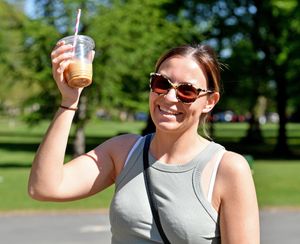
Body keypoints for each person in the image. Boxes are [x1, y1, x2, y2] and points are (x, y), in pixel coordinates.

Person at [28, 41, 260, 244]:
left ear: (210, 101)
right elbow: (44, 187)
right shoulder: (124, 151)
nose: (169, 97)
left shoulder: (228, 168)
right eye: (161, 83)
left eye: (187, 91)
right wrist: (69, 101)